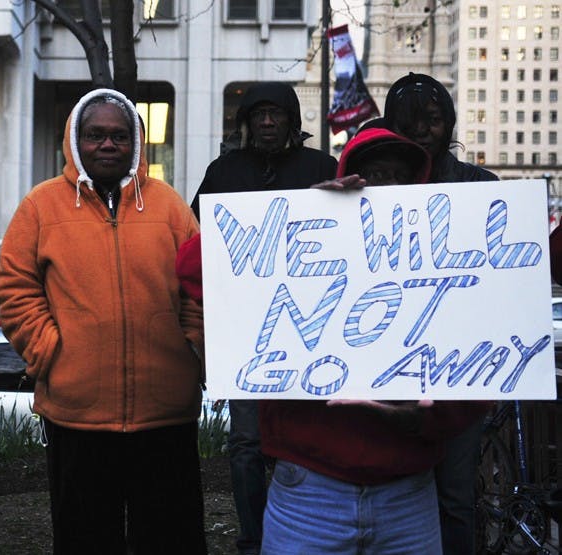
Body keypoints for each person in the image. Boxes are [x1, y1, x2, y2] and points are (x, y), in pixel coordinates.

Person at [177, 126, 489, 554]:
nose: (387, 186)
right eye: (374, 174)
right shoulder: (305, 246)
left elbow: (478, 379)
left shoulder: (440, 266)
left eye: (400, 176)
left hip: (408, 499)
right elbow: (191, 269)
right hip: (309, 496)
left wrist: (422, 421)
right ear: (348, 179)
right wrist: (299, 215)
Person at [0, 88, 206, 554]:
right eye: (95, 135)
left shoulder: (170, 207)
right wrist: (51, 352)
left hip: (165, 415)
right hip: (77, 416)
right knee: (85, 539)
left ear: (135, 143)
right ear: (76, 140)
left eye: (119, 135)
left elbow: (199, 287)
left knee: (170, 539)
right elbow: (14, 290)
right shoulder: (41, 206)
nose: (108, 144)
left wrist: (191, 346)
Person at [189, 81, 338, 555]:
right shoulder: (224, 171)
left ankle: (310, 532)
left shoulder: (322, 168)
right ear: (247, 123)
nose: (268, 122)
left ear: (292, 120)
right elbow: (197, 240)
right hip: (246, 331)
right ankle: (253, 538)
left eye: (276, 114)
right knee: (246, 442)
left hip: (313, 329)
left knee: (310, 439)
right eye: (259, 114)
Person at [384, 72, 498, 555]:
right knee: (399, 490)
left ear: (449, 123)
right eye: (408, 122)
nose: (422, 131)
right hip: (394, 368)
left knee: (454, 496)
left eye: (431, 119)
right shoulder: (379, 186)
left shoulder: (481, 186)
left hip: (461, 372)